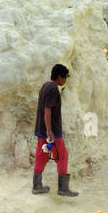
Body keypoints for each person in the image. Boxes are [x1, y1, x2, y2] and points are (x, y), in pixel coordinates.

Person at [32, 63, 78, 197]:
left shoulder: (45, 86)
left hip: (41, 130)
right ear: (59, 76)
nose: (65, 80)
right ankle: (63, 189)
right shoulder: (53, 89)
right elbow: (47, 110)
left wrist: (45, 130)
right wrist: (49, 130)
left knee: (42, 156)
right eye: (65, 77)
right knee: (62, 156)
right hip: (52, 132)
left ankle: (37, 186)